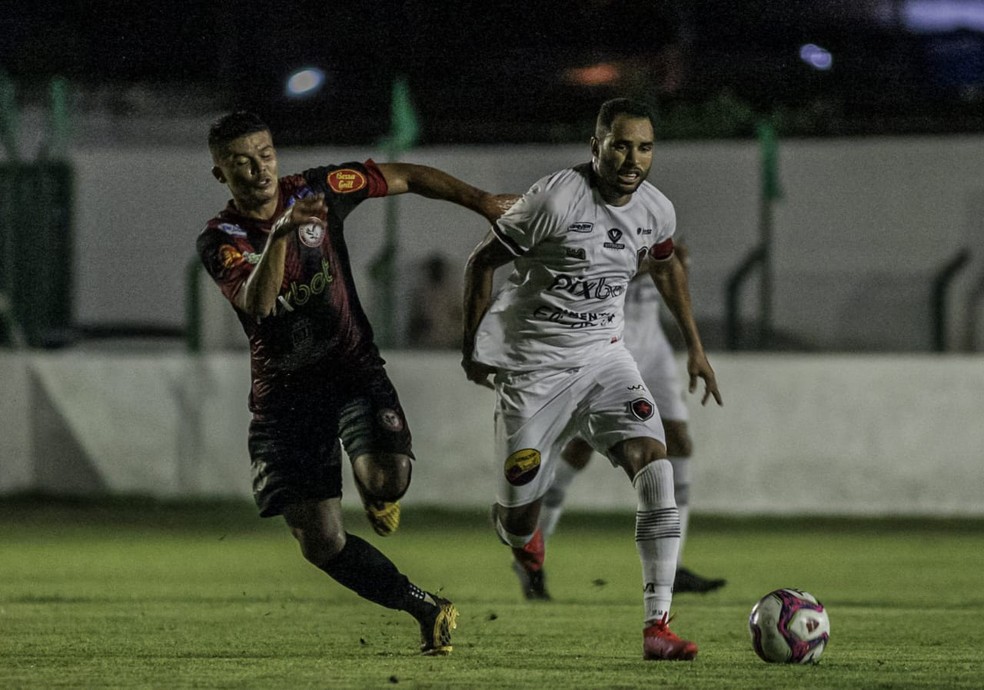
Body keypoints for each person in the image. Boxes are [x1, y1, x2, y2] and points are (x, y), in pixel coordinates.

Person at [197, 111, 510, 656]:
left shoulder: (319, 188)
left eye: (265, 154)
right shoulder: (220, 238)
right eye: (241, 162)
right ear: (221, 174)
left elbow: (406, 175)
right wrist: (281, 235)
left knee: (387, 480)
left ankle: (377, 490)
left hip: (350, 372)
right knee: (320, 542)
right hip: (283, 401)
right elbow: (258, 301)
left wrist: (481, 201)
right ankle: (426, 607)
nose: (258, 169)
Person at [461, 98, 722, 661]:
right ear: (596, 145)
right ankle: (524, 535)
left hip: (605, 360)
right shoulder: (553, 200)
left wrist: (695, 347)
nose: (633, 159)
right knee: (515, 521)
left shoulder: (656, 210)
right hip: (532, 371)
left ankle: (658, 626)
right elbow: (482, 263)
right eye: (622, 145)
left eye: (645, 147)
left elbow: (666, 263)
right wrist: (472, 348)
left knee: (655, 462)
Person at [513, 247, 727, 601]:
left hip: (652, 345)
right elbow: (591, 274)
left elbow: (668, 276)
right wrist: (655, 263)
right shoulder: (596, 220)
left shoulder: (653, 216)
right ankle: (531, 559)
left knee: (679, 443)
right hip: (609, 342)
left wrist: (678, 271)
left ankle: (672, 567)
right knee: (580, 449)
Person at [406, 253, 462, 349]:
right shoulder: (421, 293)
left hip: (450, 341)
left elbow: (460, 315)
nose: (436, 272)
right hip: (427, 342)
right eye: (433, 269)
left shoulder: (453, 292)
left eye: (438, 269)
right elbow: (415, 318)